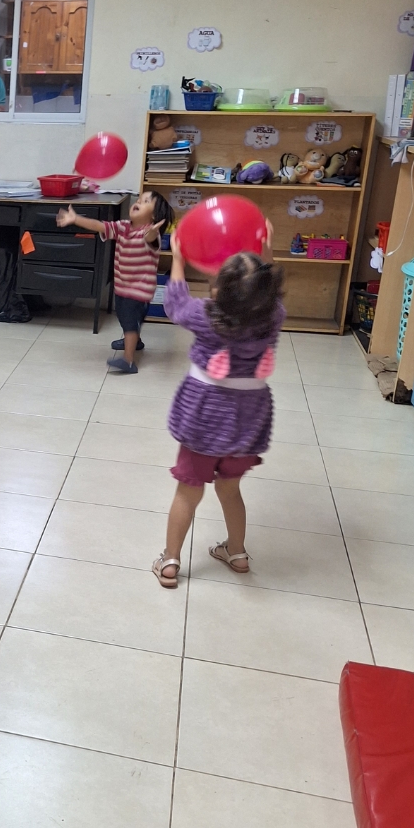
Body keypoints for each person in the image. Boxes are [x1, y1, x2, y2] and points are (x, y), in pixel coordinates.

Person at [152, 222, 284, 589]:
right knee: (230, 489)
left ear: (216, 291)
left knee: (188, 491)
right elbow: (270, 294)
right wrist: (267, 250)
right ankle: (237, 552)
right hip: (247, 422)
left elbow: (175, 305)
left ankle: (170, 561)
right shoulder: (271, 317)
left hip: (204, 422)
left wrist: (179, 259)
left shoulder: (207, 315)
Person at [56, 189, 173, 371]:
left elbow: (150, 237)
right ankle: (135, 341)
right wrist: (76, 219)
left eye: (145, 202)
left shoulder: (150, 235)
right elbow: (100, 226)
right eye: (139, 200)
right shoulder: (123, 227)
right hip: (123, 287)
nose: (138, 202)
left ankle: (128, 361)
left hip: (138, 292)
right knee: (128, 319)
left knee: (129, 322)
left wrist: (152, 231)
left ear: (154, 216)